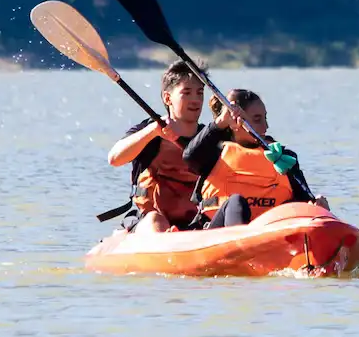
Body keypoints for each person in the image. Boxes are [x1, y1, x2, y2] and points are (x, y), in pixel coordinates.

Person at [182, 88, 315, 229]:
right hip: (217, 233)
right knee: (236, 201)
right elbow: (190, 157)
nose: (266, 126)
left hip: (270, 232)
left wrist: (315, 204)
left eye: (265, 118)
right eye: (257, 119)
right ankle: (241, 241)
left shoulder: (282, 157)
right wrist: (220, 122)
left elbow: (305, 199)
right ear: (235, 122)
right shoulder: (214, 152)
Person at [102, 61, 205, 232]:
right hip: (150, 219)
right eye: (186, 93)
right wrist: (153, 131)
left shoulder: (208, 137)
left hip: (196, 221)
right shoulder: (150, 130)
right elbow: (114, 158)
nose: (195, 100)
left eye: (200, 93)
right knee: (155, 220)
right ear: (167, 98)